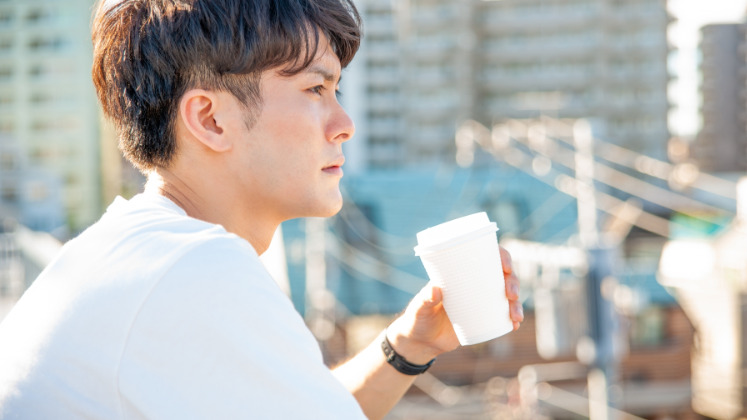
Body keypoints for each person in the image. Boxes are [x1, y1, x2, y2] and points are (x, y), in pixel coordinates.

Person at [0, 0, 524, 419]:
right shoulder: (196, 269)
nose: (345, 123)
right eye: (315, 88)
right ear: (209, 119)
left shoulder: (133, 250)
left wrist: (408, 345)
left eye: (336, 88)